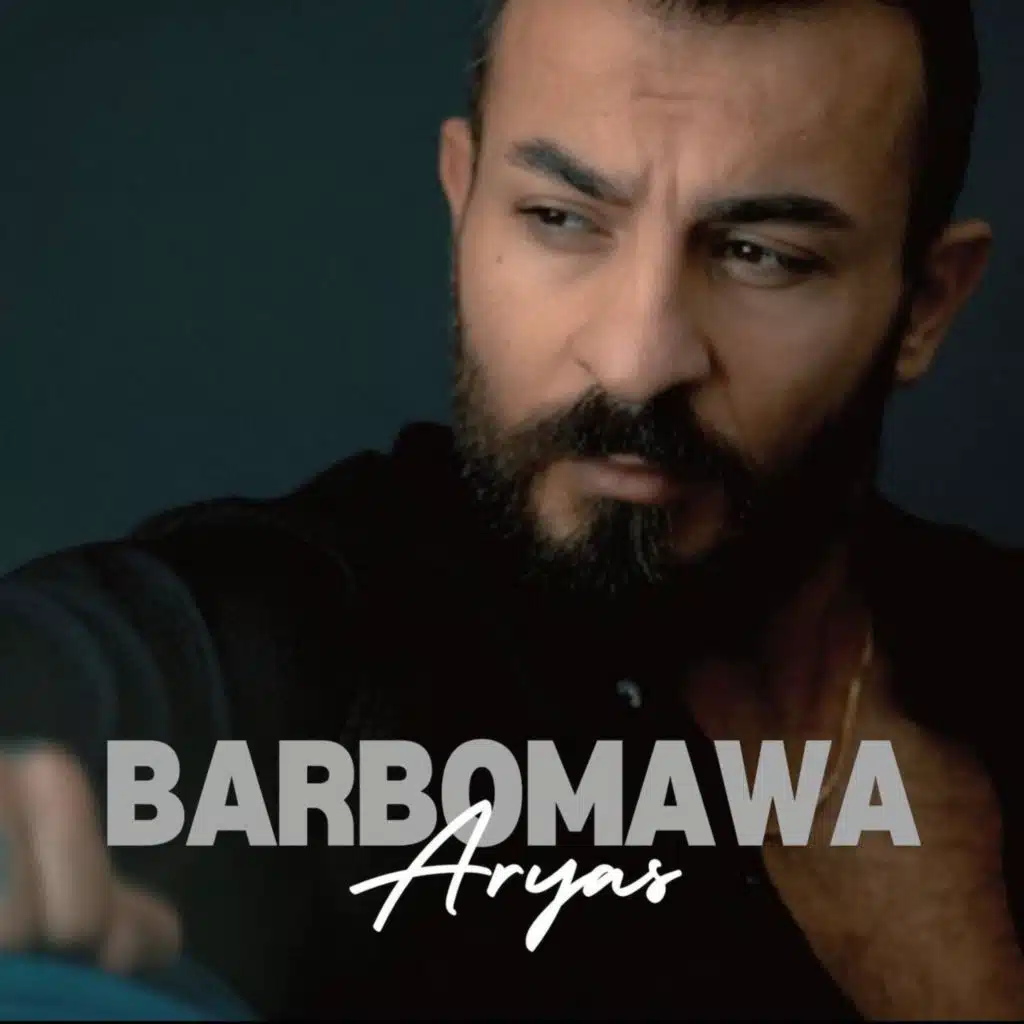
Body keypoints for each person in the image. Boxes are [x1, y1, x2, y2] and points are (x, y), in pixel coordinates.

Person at [0, 0, 1021, 1018]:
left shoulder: (988, 640)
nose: (635, 362)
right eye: (561, 218)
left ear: (926, 306)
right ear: (464, 199)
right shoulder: (303, 638)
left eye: (762, 252)